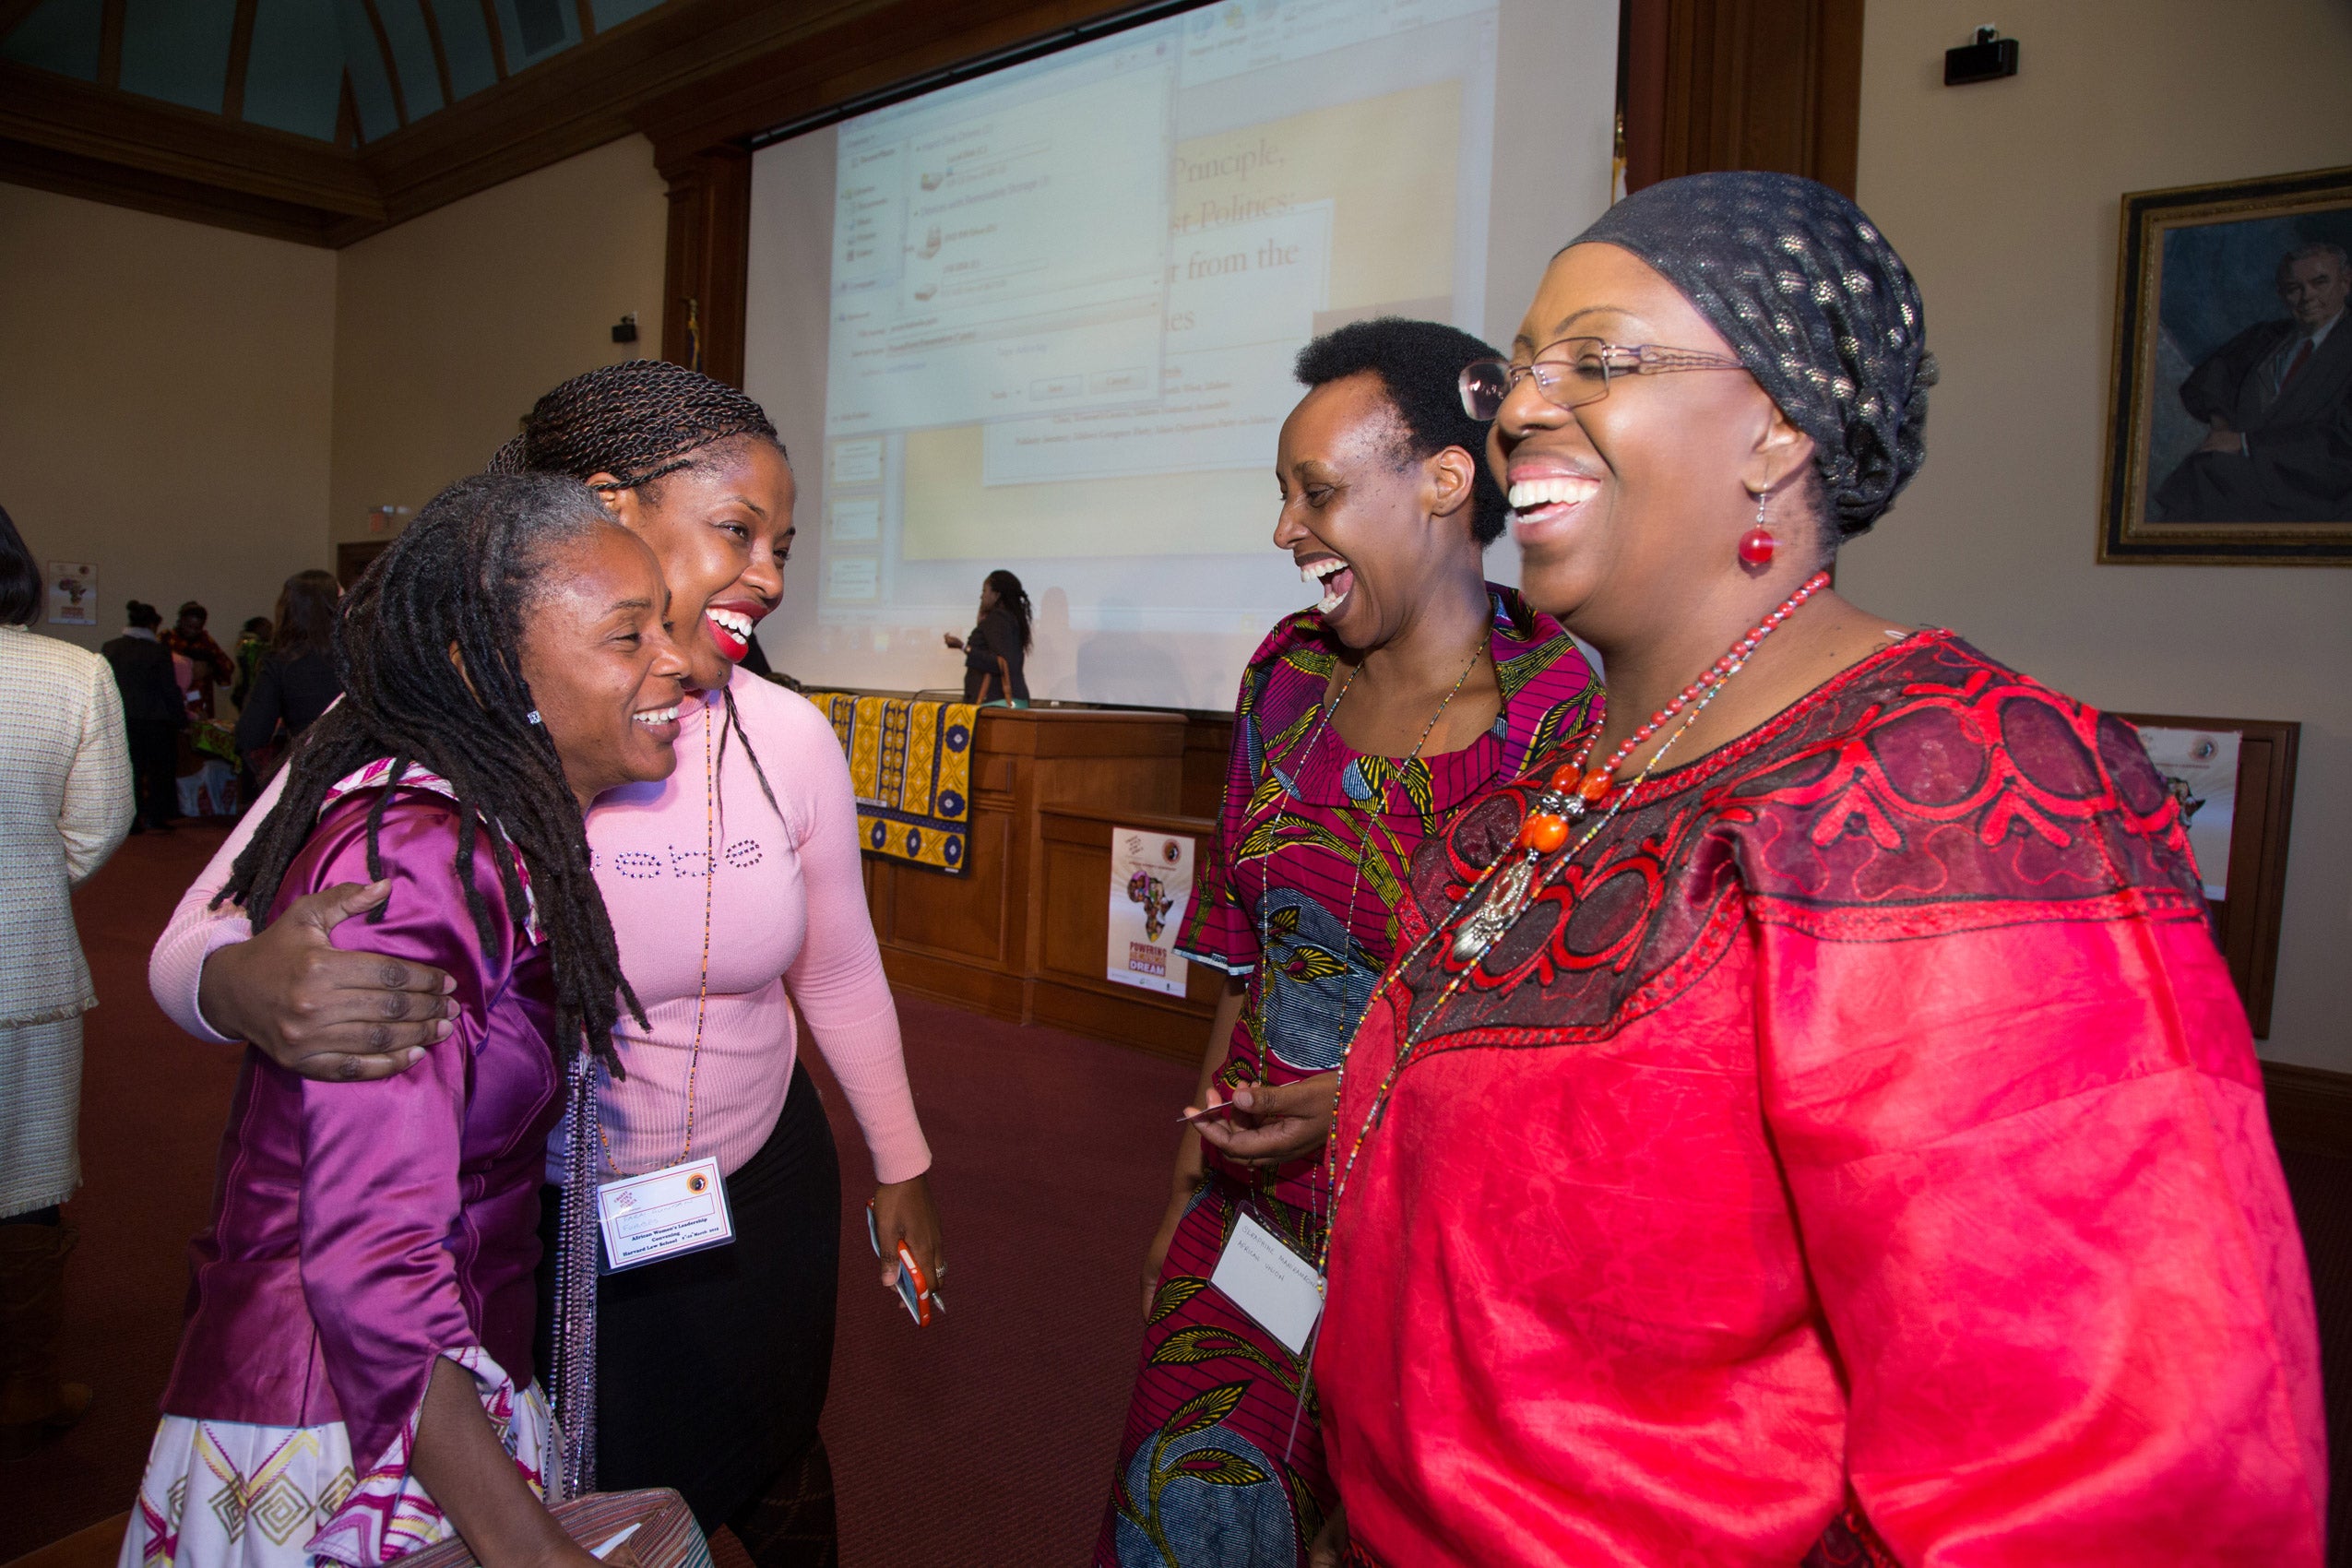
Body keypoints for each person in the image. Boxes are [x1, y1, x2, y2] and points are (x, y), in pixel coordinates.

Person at [1308, 172, 2325, 1565]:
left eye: (1596, 361)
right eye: (1523, 370)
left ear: (1781, 424)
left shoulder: (1948, 791)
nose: (1523, 410)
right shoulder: (1564, 787)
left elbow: (2121, 1468)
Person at [149, 360, 941, 1568]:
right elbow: (195, 941)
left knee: (772, 1447)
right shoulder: (425, 721)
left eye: (784, 543)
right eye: (739, 531)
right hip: (551, 1211)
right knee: (580, 1466)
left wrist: (902, 1167)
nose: (771, 577)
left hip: (754, 1177)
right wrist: (242, 984)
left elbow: (836, 967)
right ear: (611, 508)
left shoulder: (782, 733)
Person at [1097, 319, 1599, 1568]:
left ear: (1443, 480)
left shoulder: (1560, 722)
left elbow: (1556, 1036)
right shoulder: (1283, 677)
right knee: (1184, 1521)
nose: (1285, 531)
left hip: (1432, 1241)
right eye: (1282, 495)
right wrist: (1182, 1199)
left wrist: (1367, 1101)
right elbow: (1244, 949)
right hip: (1248, 1208)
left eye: (1316, 494)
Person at [126, 473, 691, 1568]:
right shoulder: (420, 862)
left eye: (662, 622)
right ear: (489, 669)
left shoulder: (492, 822)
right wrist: (524, 1543)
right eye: (630, 636)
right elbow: (368, 1260)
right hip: (349, 1436)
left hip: (430, 1387)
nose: (672, 660)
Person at [0, 503, 130, 1461]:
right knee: (23, 1178)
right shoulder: (69, 673)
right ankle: (20, 1389)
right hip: (24, 964)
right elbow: (98, 824)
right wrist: (30, 887)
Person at [2155, 240, 2352, 523]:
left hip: (2315, 492)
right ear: (2282, 295)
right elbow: (2211, 377)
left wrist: (2245, 443)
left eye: (2320, 282)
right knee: (2200, 479)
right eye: (2294, 288)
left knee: (2205, 476)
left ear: (2346, 282)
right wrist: (2221, 421)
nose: (2307, 296)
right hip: (2246, 479)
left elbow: (2343, 445)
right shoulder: (2267, 337)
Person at [234, 568, 344, 778]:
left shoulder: (282, 662)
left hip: (312, 773)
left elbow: (250, 735)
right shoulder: (362, 654)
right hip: (369, 774)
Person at [102, 600, 184, 834]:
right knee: (159, 772)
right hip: (156, 720)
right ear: (152, 625)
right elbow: (169, 689)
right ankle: (156, 816)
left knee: (130, 771)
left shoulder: (111, 648)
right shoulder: (158, 652)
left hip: (123, 719)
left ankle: (131, 820)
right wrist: (180, 719)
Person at [944, 569, 1031, 703]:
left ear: (996, 595)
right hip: (1005, 699)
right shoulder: (1009, 619)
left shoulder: (998, 619)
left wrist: (963, 647)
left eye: (984, 591)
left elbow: (1001, 662)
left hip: (995, 701)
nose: (981, 596)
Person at [162, 600, 233, 719]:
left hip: (201, 702)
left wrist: (209, 666)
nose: (192, 631)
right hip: (175, 700)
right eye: (189, 626)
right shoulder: (167, 638)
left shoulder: (206, 641)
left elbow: (227, 666)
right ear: (180, 620)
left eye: (197, 628)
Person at [229, 615, 271, 711]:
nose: (271, 632)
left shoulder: (244, 643)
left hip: (246, 689)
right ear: (259, 628)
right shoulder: (251, 645)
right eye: (268, 628)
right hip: (249, 690)